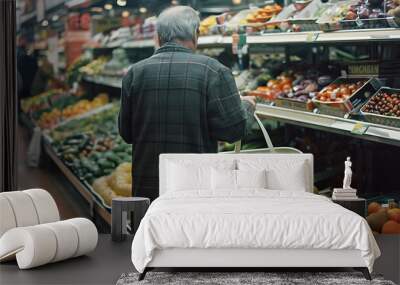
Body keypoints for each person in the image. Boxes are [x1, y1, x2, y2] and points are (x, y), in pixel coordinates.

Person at [118, 6, 256, 201]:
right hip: (196, 187)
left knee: (151, 231)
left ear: (159, 35)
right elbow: (233, 131)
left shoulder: (135, 73)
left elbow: (127, 133)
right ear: (195, 33)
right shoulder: (214, 71)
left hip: (148, 187)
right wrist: (248, 106)